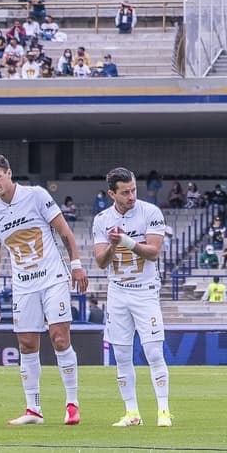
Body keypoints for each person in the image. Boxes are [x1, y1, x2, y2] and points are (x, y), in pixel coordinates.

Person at [0, 152, 88, 426]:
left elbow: (65, 232)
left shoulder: (36, 195)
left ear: (8, 173)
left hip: (52, 277)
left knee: (59, 338)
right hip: (23, 285)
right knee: (26, 344)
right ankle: (34, 410)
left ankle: (72, 404)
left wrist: (76, 265)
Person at [91, 167, 172, 428]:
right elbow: (101, 262)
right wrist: (113, 245)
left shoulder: (150, 212)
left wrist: (125, 241)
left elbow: (154, 252)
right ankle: (132, 412)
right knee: (121, 354)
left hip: (145, 292)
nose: (131, 196)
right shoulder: (102, 219)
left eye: (133, 190)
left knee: (153, 351)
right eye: (125, 192)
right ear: (111, 193)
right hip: (117, 293)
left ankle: (163, 410)